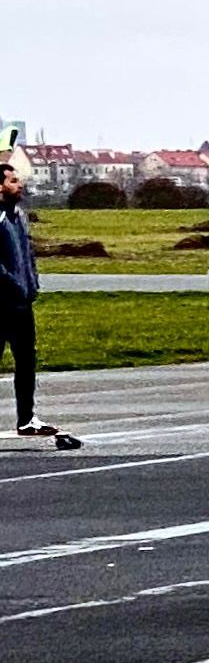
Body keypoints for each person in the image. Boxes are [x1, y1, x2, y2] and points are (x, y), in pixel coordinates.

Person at [0, 150, 65, 446]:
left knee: (26, 361)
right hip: (0, 302)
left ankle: (27, 419)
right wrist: (11, 283)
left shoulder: (19, 217)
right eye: (13, 181)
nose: (19, 185)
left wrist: (32, 284)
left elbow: (27, 255)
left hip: (22, 303)